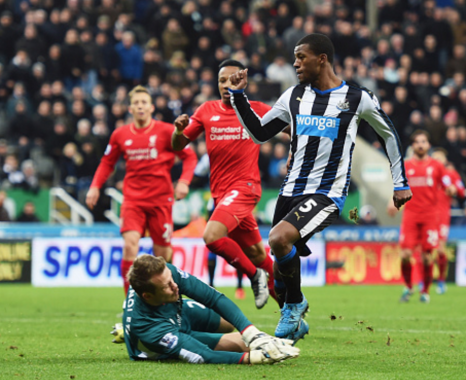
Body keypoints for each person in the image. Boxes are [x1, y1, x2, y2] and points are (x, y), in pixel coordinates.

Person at [228, 34, 411, 341]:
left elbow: (388, 134)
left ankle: (295, 306)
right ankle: (295, 312)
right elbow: (260, 133)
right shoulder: (294, 96)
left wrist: (400, 181)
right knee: (280, 271)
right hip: (290, 191)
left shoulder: (356, 97)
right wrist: (238, 97)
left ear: (322, 59)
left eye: (301, 57)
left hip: (328, 193)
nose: (296, 64)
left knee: (278, 238)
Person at [172, 59, 276, 310]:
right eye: (221, 80)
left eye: (232, 79)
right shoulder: (206, 111)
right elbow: (178, 146)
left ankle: (253, 276)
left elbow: (290, 129)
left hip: (245, 188)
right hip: (222, 197)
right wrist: (178, 131)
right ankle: (293, 306)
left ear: (243, 80)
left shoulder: (258, 109)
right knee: (259, 256)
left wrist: (296, 150)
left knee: (211, 236)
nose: (226, 84)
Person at [85, 85, 197, 296]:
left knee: (162, 253)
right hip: (133, 200)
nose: (140, 106)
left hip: (161, 201)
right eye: (136, 103)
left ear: (151, 107)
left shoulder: (165, 131)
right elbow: (107, 162)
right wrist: (95, 186)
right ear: (130, 109)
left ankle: (167, 295)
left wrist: (184, 181)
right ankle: (130, 301)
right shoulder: (120, 134)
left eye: (144, 102)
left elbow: (189, 157)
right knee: (129, 247)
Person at [121, 254, 300, 364]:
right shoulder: (149, 328)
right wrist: (253, 359)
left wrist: (251, 332)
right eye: (167, 286)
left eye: (172, 279)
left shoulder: (164, 273)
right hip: (164, 334)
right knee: (243, 347)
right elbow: (203, 356)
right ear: (148, 296)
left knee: (228, 323)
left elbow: (212, 297)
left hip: (178, 314)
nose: (175, 285)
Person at [388, 133, 454, 303]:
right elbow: (398, 188)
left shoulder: (437, 166)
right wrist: (392, 203)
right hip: (410, 215)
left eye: (423, 141)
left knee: (426, 256)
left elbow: (447, 184)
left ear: (428, 145)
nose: (420, 145)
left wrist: (451, 189)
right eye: (417, 142)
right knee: (405, 254)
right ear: (413, 146)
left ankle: (425, 291)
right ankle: (409, 287)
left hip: (430, 216)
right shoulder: (406, 166)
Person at [431, 148, 464, 294]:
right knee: (424, 249)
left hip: (442, 216)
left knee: (440, 249)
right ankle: (422, 281)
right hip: (427, 216)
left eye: (440, 158)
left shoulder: (450, 175)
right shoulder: (427, 175)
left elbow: (462, 192)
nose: (437, 160)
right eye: (435, 158)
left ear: (445, 160)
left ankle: (441, 281)